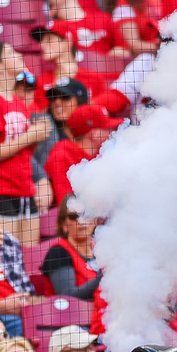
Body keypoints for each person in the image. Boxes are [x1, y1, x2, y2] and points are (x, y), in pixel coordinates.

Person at [0, 42, 53, 251]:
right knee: (6, 266)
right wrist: (30, 136)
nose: (19, 55)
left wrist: (38, 135)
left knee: (30, 264)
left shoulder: (19, 102)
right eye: (12, 53)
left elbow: (22, 152)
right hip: (3, 193)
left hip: (26, 191)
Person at [45, 103, 122, 204]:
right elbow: (67, 204)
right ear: (93, 133)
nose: (112, 132)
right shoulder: (61, 155)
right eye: (107, 129)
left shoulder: (102, 155)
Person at [41, 195, 102, 301]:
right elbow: (67, 296)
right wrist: (103, 279)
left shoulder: (102, 249)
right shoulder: (58, 252)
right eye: (74, 216)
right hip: (66, 315)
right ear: (64, 224)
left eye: (86, 215)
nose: (81, 221)